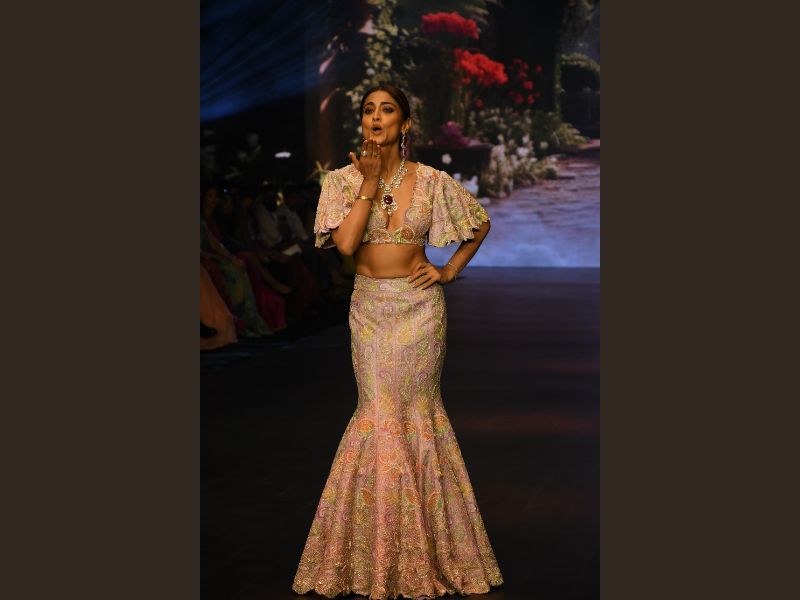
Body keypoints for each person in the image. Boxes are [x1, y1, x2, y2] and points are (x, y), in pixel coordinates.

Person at [292, 85, 502, 599]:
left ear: (404, 124)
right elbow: (345, 245)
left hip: (420, 311)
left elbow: (479, 224)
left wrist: (449, 269)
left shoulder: (431, 180)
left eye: (387, 110)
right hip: (369, 310)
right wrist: (368, 182)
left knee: (416, 415)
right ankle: (373, 555)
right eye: (369, 110)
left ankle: (430, 553)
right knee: (377, 412)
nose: (376, 117)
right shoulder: (341, 181)